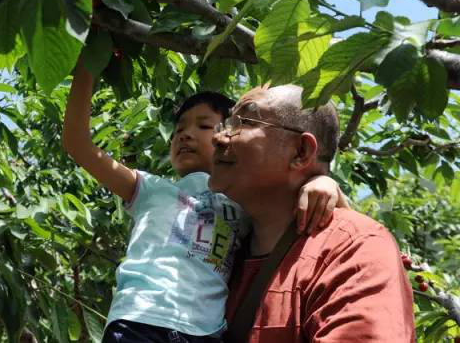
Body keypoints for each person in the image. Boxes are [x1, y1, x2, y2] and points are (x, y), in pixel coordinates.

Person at [62, 61, 347, 342]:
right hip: (141, 322)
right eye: (178, 129)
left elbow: (298, 205)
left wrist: (323, 182)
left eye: (204, 125)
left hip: (207, 334)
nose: (185, 134)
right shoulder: (151, 190)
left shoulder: (244, 204)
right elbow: (78, 144)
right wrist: (88, 64)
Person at [210, 84, 415, 342]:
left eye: (245, 122)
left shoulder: (354, 248)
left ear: (301, 152)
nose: (219, 138)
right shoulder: (215, 246)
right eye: (226, 124)